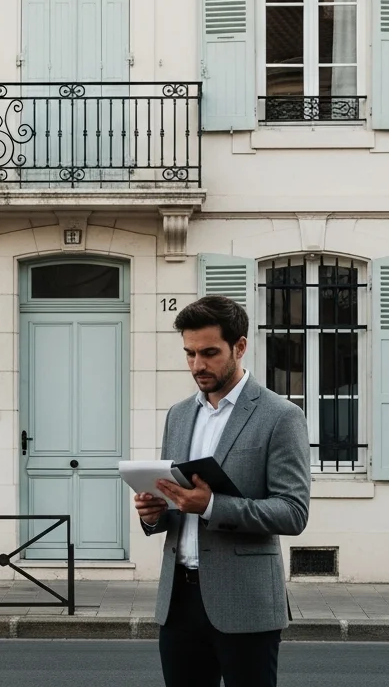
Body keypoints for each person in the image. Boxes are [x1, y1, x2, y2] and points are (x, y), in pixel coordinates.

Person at [135, 294, 310, 687]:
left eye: (210, 352)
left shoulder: (280, 416)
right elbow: (174, 501)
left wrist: (213, 505)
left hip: (245, 601)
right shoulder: (179, 415)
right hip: (178, 601)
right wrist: (155, 513)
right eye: (190, 353)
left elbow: (293, 512)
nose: (198, 365)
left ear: (240, 346)